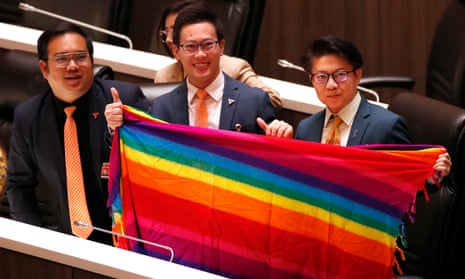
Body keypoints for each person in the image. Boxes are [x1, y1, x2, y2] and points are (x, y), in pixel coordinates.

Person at [5, 22, 149, 245]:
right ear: (44, 68)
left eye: (80, 57)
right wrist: (34, 241)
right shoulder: (29, 116)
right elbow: (18, 184)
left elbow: (151, 167)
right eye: (62, 59)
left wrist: (123, 128)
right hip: (69, 244)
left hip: (130, 242)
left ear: (91, 62)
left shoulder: (124, 100)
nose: (73, 66)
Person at [106, 9, 292, 138]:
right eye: (191, 47)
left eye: (208, 44)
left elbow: (274, 160)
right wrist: (116, 128)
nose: (200, 54)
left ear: (221, 46)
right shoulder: (162, 107)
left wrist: (281, 135)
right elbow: (142, 153)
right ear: (177, 52)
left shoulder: (254, 101)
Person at [295, 34, 451, 181]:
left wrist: (432, 176)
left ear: (357, 75)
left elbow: (409, 182)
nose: (331, 85)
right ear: (312, 80)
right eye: (321, 77)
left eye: (340, 75)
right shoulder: (306, 129)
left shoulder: (387, 127)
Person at [154, 0, 283, 112]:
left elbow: (272, 99)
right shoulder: (165, 76)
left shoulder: (234, 68)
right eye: (166, 32)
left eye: (175, 31)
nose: (170, 39)